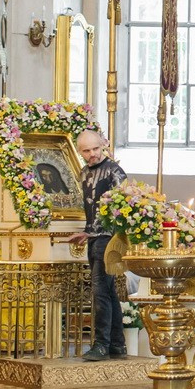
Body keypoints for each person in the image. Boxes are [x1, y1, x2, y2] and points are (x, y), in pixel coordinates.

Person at [70, 128, 128, 361]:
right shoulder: (84, 172)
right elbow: (92, 209)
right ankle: (117, 344)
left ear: (103, 145)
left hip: (109, 239)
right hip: (94, 238)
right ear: (80, 151)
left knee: (100, 291)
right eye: (86, 151)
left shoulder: (115, 171)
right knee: (108, 292)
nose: (92, 154)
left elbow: (123, 208)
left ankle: (101, 344)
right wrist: (87, 232)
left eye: (95, 148)